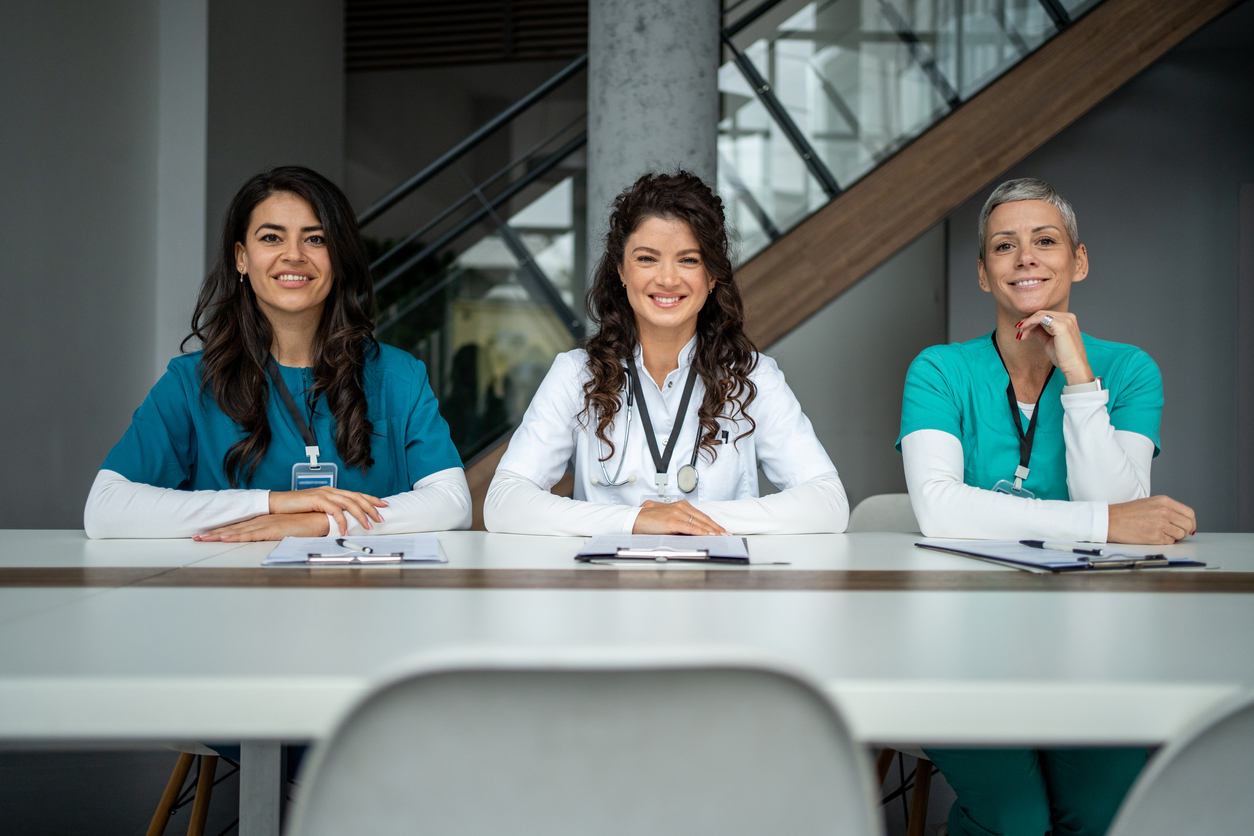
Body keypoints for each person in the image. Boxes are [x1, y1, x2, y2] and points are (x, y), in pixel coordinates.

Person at [899, 178, 1196, 836]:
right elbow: (942, 511)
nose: (1025, 257)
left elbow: (1122, 516)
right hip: (960, 648)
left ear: (1078, 261)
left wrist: (1080, 379)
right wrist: (1103, 526)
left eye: (1044, 241)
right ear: (983, 274)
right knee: (1016, 819)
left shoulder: (1129, 370)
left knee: (1100, 813)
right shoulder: (939, 371)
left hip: (1095, 649)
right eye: (1004, 246)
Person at [84, 166, 470, 540]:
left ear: (339, 257)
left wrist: (321, 523)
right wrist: (273, 505)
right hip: (232, 600)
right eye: (271, 238)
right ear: (241, 257)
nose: (294, 255)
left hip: (365, 597)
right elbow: (105, 510)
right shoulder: (191, 383)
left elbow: (454, 504)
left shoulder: (399, 376)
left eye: (315, 239)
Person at [484, 170, 848, 536]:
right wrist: (634, 522)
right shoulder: (576, 375)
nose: (668, 279)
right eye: (647, 259)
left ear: (711, 276)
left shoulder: (751, 377)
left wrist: (692, 521)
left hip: (720, 586)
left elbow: (828, 504)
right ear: (621, 271)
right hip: (607, 587)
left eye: (688, 260)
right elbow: (504, 504)